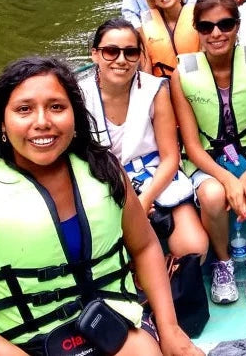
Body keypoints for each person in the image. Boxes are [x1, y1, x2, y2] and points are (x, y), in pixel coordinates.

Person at [0, 56, 204, 356]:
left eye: (57, 107)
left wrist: (170, 328)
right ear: (3, 122)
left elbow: (145, 245)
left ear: (75, 115)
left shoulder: (102, 168)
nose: (42, 121)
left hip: (110, 324)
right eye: (24, 109)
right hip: (19, 344)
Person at [170, 0, 246, 305]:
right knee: (211, 194)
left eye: (225, 24)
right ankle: (223, 263)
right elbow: (191, 146)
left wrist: (245, 179)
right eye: (206, 27)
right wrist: (229, 180)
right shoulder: (182, 76)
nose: (216, 33)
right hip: (208, 160)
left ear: (237, 25)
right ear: (197, 30)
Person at [79, 18, 208, 262]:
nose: (121, 60)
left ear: (139, 56)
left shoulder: (154, 89)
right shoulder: (78, 96)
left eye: (130, 52)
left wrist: (144, 199)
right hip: (103, 178)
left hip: (152, 174)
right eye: (110, 51)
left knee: (195, 248)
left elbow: (170, 157)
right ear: (95, 54)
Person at [140, 0, 200, 77]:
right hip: (164, 85)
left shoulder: (199, 15)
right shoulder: (146, 27)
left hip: (196, 80)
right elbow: (146, 65)